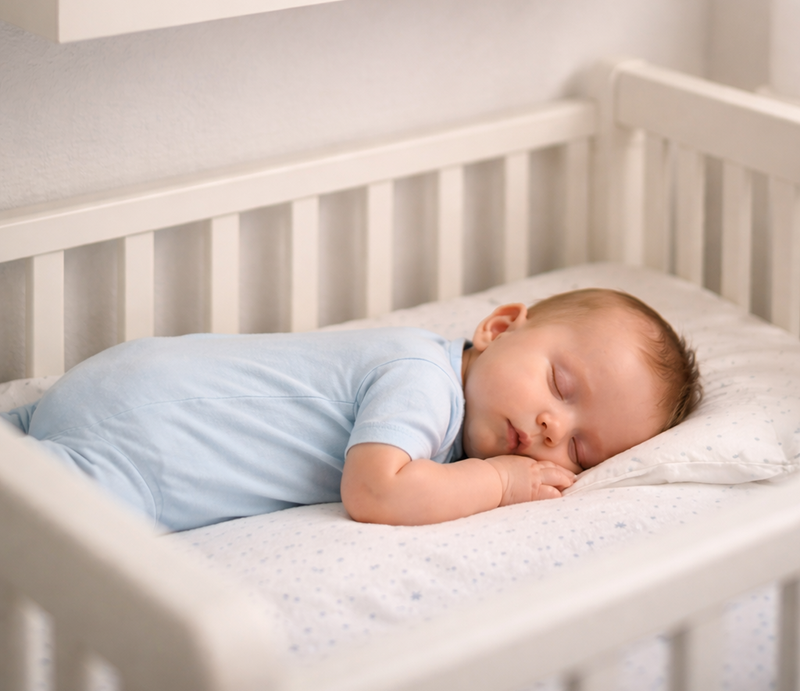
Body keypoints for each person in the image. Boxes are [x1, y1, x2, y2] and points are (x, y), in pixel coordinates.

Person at [1, 288, 701, 532]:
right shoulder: (424, 379)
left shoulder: (436, 384)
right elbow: (374, 492)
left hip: (122, 381)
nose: (553, 427)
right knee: (55, 536)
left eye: (580, 450)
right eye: (561, 384)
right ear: (498, 328)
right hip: (149, 442)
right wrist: (504, 483)